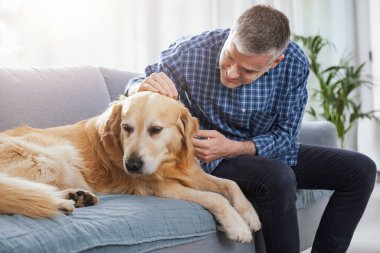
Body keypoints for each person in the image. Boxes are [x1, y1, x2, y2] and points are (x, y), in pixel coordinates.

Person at [124, 5, 377, 253]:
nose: (231, 73)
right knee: (278, 177)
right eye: (229, 57)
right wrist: (140, 87)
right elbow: (135, 84)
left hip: (257, 151)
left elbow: (286, 139)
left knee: (361, 170)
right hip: (211, 158)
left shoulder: (294, 64)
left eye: (247, 70)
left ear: (275, 62)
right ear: (231, 34)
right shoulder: (191, 51)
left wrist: (234, 147)